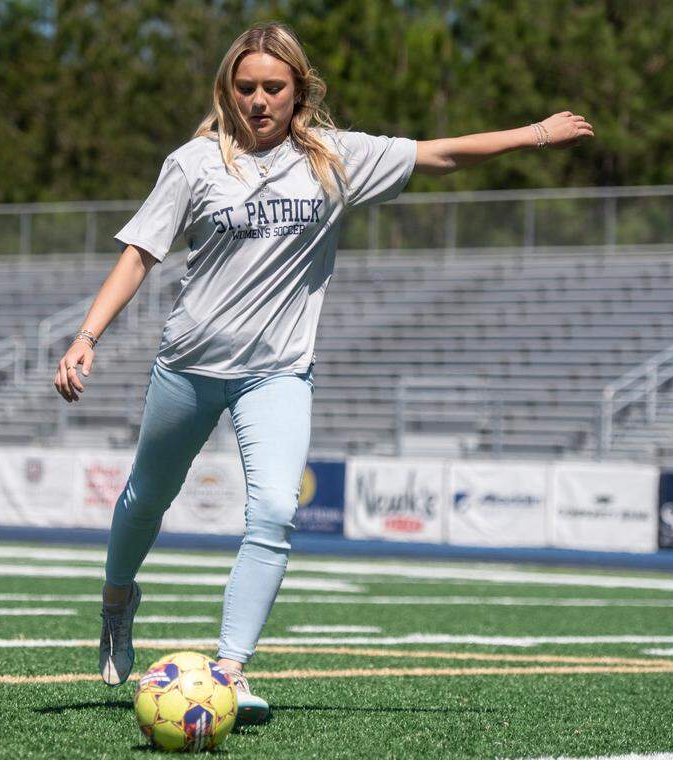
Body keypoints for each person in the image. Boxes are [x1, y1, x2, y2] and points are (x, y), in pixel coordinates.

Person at [53, 20, 593, 725]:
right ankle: (118, 599)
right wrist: (87, 336)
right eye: (244, 87)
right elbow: (138, 254)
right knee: (146, 499)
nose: (258, 100)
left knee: (276, 509)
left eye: (272, 87)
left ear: (298, 91)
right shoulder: (193, 164)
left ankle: (230, 669)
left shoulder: (335, 159)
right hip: (187, 365)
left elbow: (442, 157)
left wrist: (536, 134)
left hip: (276, 373)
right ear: (227, 89)